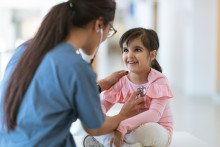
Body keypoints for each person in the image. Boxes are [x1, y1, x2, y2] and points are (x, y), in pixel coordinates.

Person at [0, 1, 145, 147]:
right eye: (110, 30)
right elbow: (95, 126)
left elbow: (49, 96)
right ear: (98, 24)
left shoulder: (24, 50)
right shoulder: (77, 67)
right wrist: (123, 114)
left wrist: (100, 86)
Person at [83, 28, 173, 147]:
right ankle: (125, 145)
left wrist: (121, 127)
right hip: (129, 131)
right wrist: (100, 119)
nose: (129, 55)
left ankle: (109, 142)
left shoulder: (159, 80)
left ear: (152, 55)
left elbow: (154, 115)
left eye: (137, 50)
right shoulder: (121, 80)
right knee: (94, 125)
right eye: (125, 50)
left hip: (155, 132)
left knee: (151, 131)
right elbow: (103, 105)